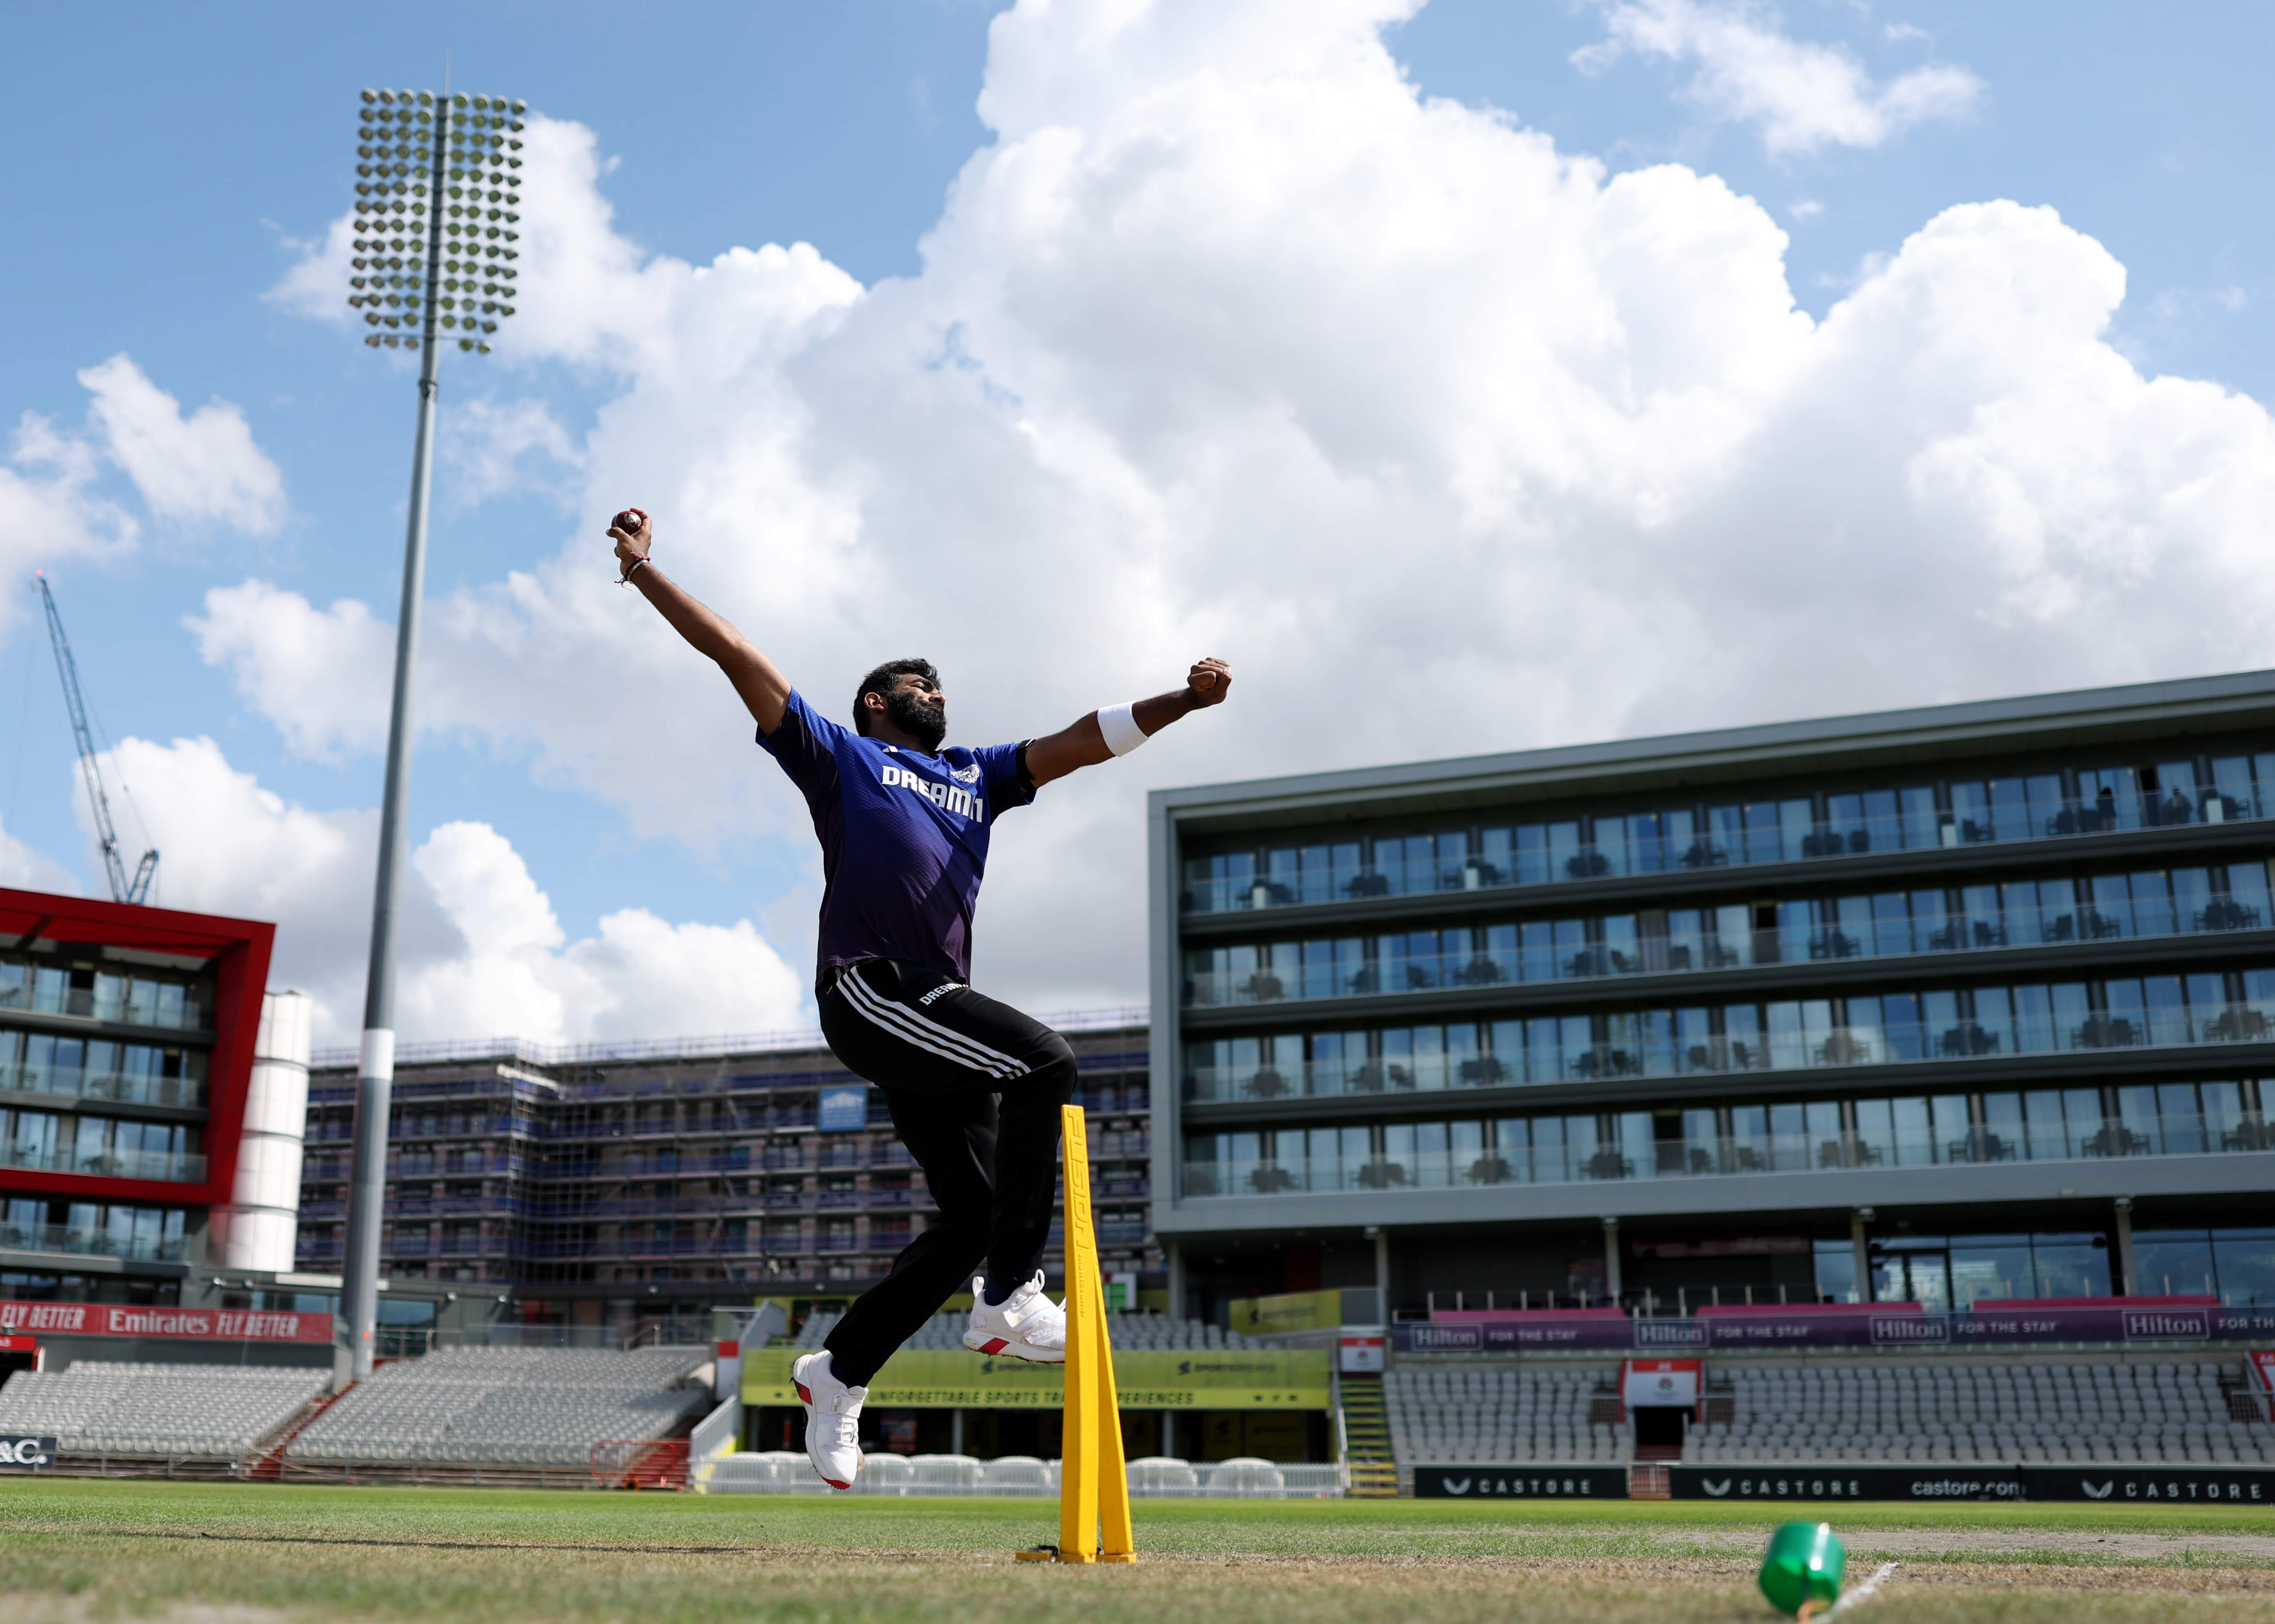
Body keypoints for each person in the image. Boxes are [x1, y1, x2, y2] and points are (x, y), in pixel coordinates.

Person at [605, 508, 1231, 1489]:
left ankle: (839, 1371)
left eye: (940, 685)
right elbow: (735, 655)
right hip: (874, 987)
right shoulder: (840, 755)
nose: (936, 692)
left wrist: (1183, 701)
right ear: (875, 703)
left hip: (934, 1013)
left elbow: (1080, 742)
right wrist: (646, 573)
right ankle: (1011, 1293)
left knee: (973, 1213)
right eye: (918, 685)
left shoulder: (977, 774)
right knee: (1047, 1061)